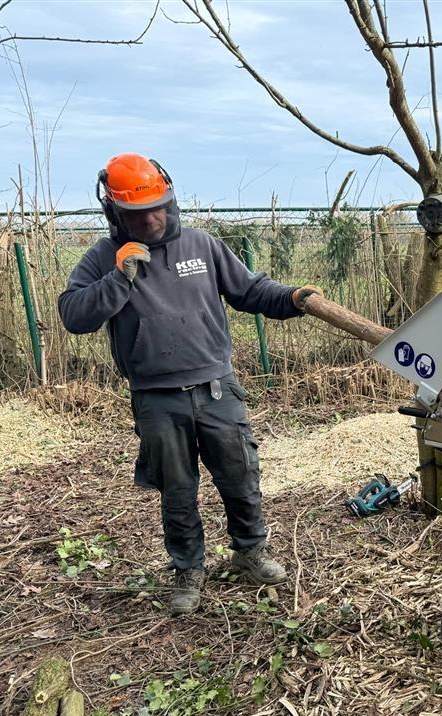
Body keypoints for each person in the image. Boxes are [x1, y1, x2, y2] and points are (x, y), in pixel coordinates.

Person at [58, 153, 322, 616]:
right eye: (139, 214)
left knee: (240, 474)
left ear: (170, 197)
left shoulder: (201, 245)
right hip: (157, 398)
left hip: (216, 387)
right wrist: (119, 278)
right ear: (116, 213)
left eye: (160, 206)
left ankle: (249, 550)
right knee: (177, 487)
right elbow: (73, 314)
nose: (154, 219)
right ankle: (188, 570)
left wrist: (294, 298)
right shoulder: (104, 257)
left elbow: (250, 290)